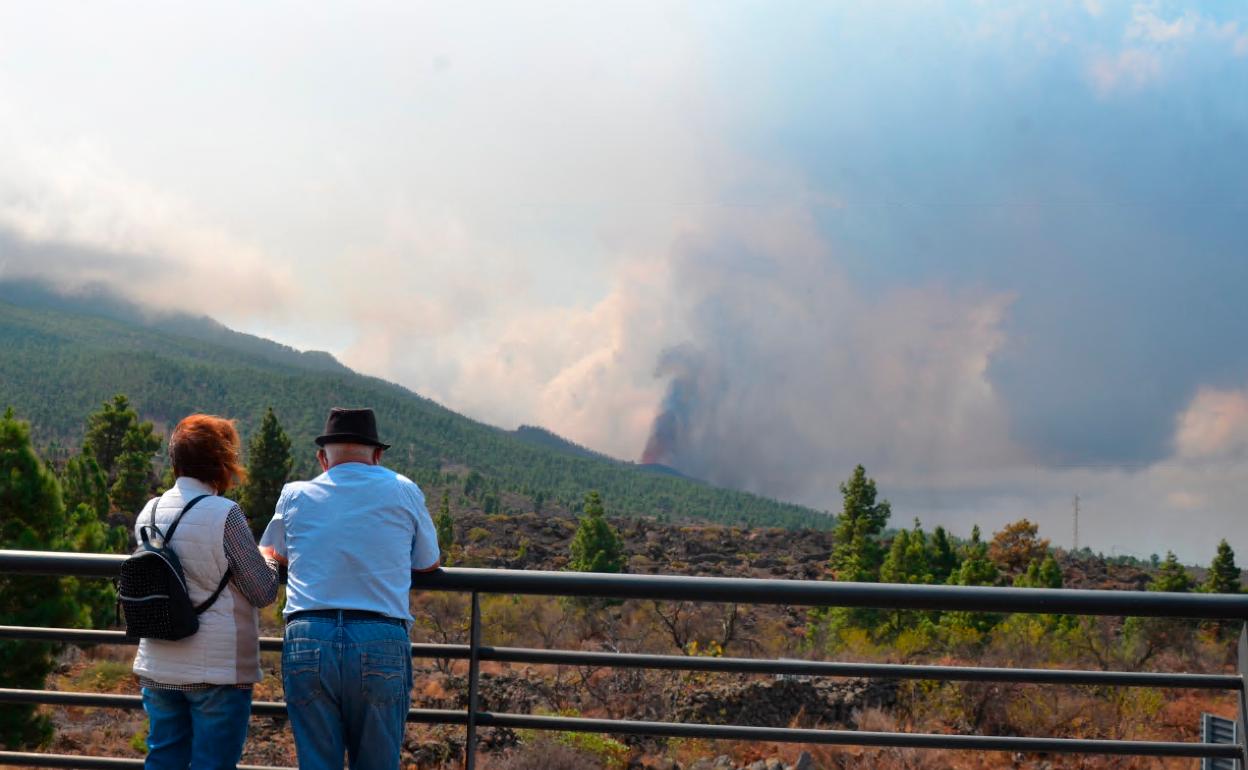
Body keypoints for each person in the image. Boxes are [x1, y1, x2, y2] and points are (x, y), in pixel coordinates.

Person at [260, 407, 440, 770]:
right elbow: (427, 563)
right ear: (377, 455)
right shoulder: (404, 490)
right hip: (379, 636)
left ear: (323, 458)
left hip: (309, 635)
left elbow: (273, 551)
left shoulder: (295, 494)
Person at [132, 414, 279, 770]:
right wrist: (269, 558)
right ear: (221, 462)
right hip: (218, 671)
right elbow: (262, 590)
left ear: (176, 459)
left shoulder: (148, 513)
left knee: (164, 760)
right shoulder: (225, 514)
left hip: (159, 664)